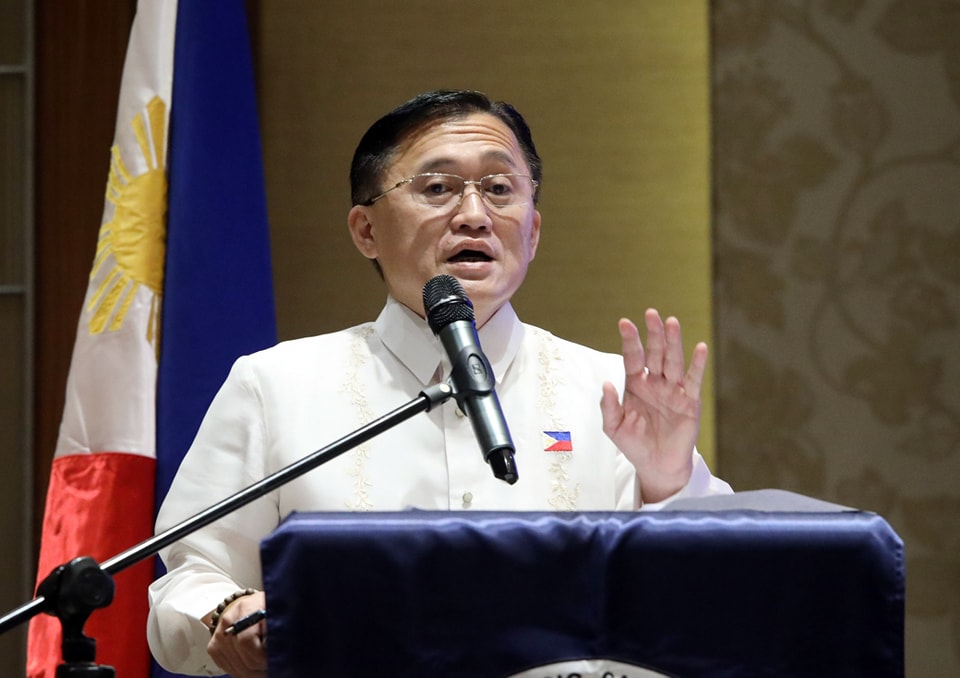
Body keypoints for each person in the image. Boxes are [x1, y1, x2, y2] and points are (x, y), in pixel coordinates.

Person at [146, 89, 733, 676]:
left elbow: (719, 599)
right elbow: (190, 576)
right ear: (366, 230)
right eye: (437, 188)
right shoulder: (276, 386)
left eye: (499, 188)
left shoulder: (609, 393)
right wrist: (230, 614)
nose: (475, 214)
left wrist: (667, 482)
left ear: (532, 232)